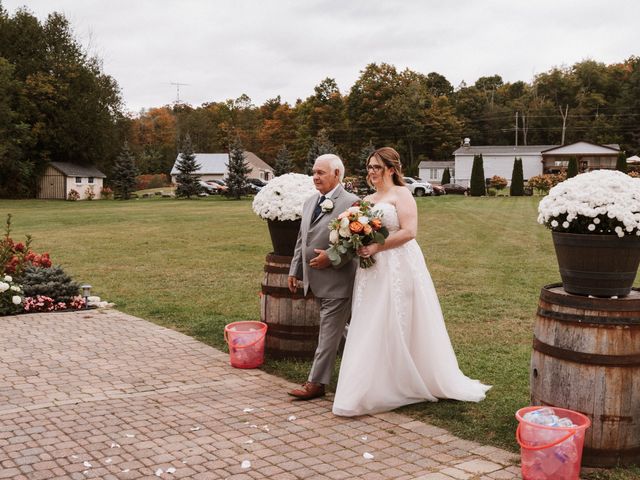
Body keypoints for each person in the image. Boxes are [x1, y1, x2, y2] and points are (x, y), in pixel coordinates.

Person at [332, 147, 491, 416]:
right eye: (369, 167)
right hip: (372, 270)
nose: (371, 172)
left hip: (398, 264)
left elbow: (409, 231)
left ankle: (404, 378)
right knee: (370, 318)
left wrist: (376, 248)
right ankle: (370, 380)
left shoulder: (402, 194)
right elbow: (365, 231)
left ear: (392, 169)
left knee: (399, 316)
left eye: (377, 168)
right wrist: (355, 240)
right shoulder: (368, 199)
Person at [287, 154, 359, 400]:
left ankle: (316, 383)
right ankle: (370, 363)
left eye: (321, 172)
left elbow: (355, 243)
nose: (315, 177)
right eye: (314, 172)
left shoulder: (352, 203)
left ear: (337, 174)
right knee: (342, 331)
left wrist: (331, 257)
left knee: (328, 333)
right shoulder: (309, 202)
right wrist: (294, 270)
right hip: (313, 280)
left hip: (338, 280)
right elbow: (301, 239)